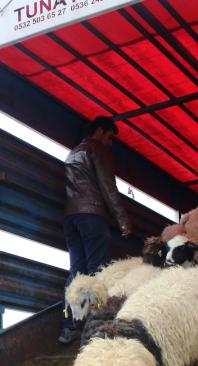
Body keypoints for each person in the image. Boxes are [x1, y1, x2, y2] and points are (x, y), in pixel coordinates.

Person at [58, 116, 132, 344]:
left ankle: (69, 326)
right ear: (100, 131)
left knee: (76, 273)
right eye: (110, 137)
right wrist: (123, 222)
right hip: (92, 215)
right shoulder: (97, 150)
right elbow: (108, 187)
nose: (110, 143)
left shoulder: (72, 153)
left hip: (71, 217)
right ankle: (95, 326)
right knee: (97, 272)